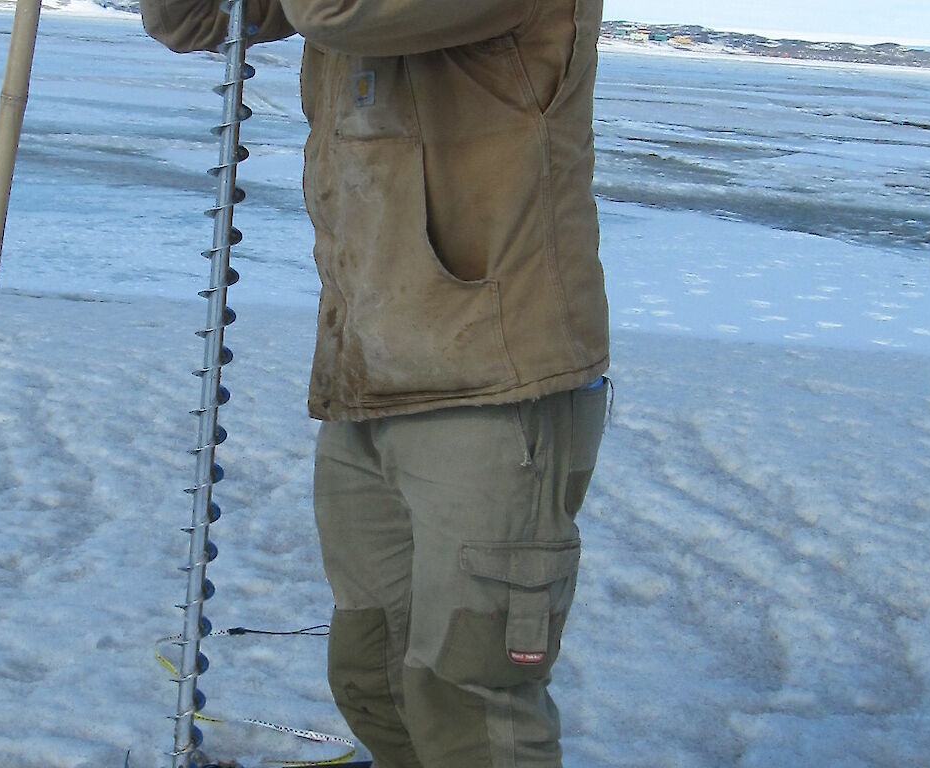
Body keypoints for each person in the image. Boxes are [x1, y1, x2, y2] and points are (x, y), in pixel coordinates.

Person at [142, 1, 610, 766]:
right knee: (375, 678)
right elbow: (192, 19)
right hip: (368, 376)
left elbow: (338, 11)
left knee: (468, 701)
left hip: (492, 384)